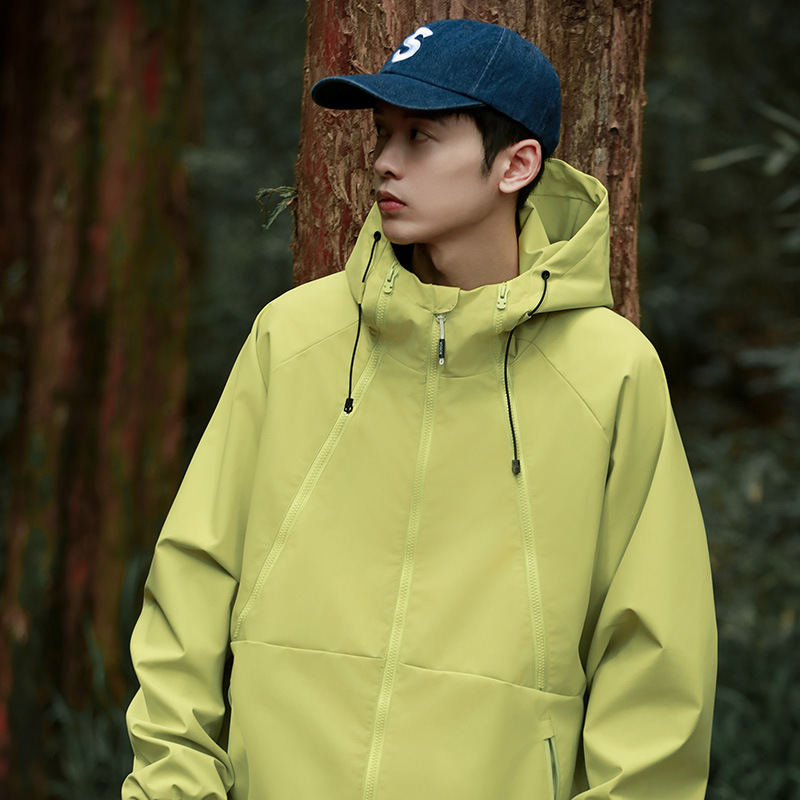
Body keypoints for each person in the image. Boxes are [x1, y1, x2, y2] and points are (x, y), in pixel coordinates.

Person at [122, 19, 716, 800]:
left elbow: (655, 661)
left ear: (516, 164)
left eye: (421, 137)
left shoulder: (610, 373)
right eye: (383, 132)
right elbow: (190, 586)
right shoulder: (293, 338)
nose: (383, 161)